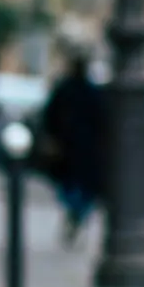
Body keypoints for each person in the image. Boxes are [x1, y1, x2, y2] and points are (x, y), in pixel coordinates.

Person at [41, 39, 106, 249]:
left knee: (76, 187)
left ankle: (76, 214)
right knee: (76, 187)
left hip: (76, 148)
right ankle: (76, 214)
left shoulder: (72, 89)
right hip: (77, 148)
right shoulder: (82, 90)